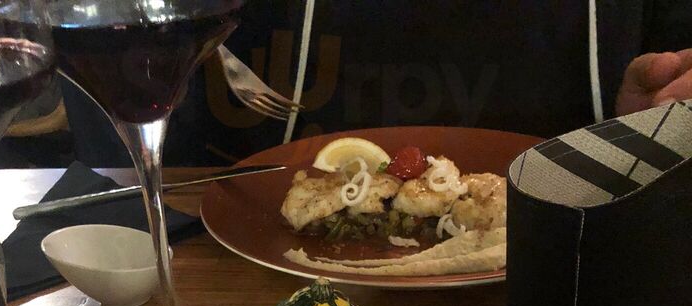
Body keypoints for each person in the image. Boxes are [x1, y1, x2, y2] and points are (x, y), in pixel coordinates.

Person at [62, 0, 692, 167]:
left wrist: (644, 124)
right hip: (233, 286)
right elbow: (120, 162)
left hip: (575, 292)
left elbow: (666, 82)